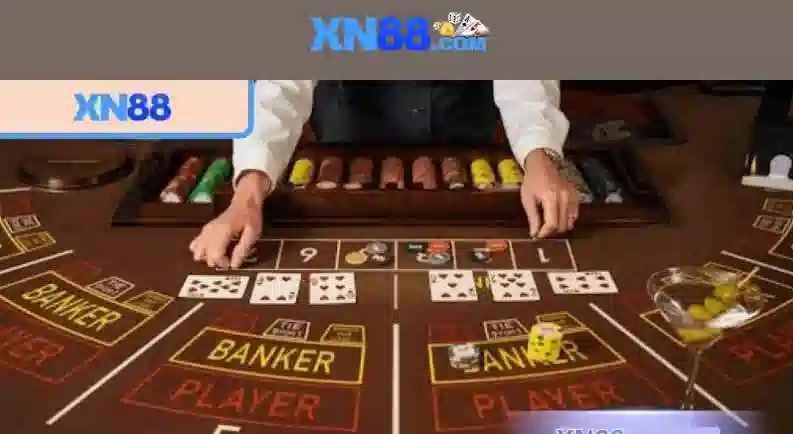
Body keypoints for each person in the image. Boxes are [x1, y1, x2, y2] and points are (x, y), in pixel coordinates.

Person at [190, 80, 578, 269]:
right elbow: (279, 84)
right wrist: (248, 193)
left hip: (460, 151)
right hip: (349, 156)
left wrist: (540, 156)